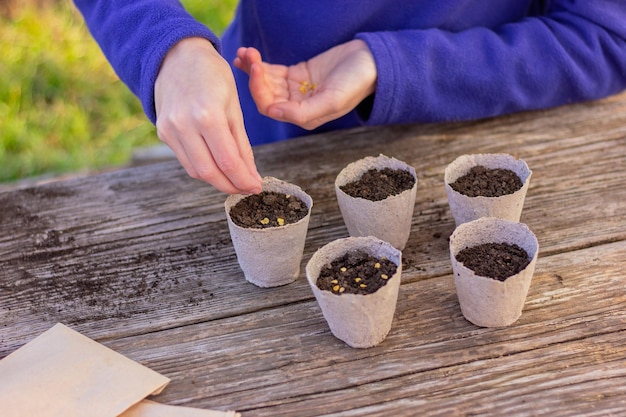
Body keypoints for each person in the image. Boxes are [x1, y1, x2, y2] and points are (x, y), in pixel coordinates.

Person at [73, 1, 626, 195]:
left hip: (497, 146)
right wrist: (169, 49)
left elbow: (605, 35)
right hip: (271, 130)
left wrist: (391, 64)